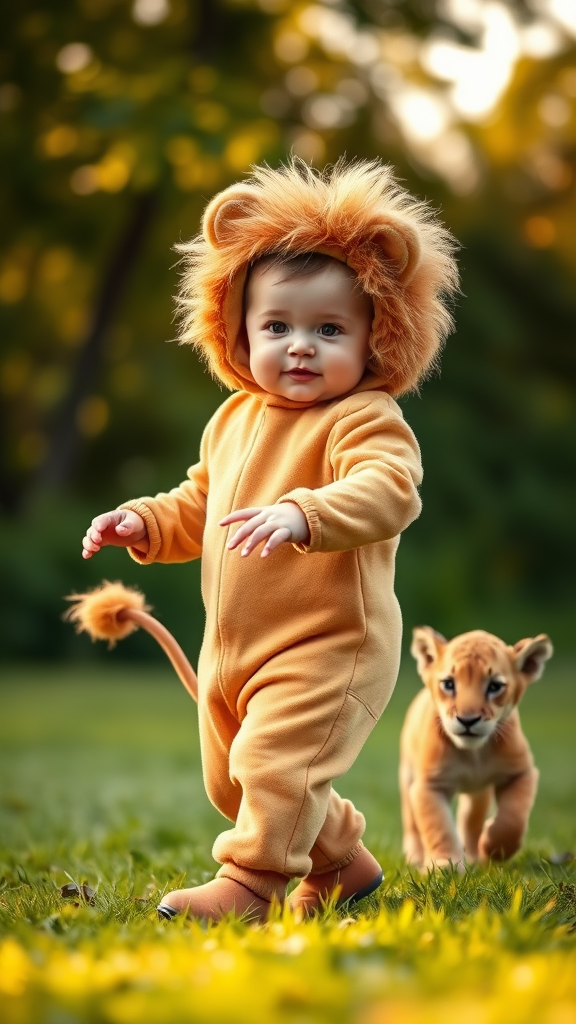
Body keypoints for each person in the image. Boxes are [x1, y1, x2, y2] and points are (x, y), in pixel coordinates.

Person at [81, 159, 458, 921]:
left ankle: (251, 887)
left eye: (329, 330)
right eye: (277, 327)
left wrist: (305, 512)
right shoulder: (234, 420)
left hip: (330, 643)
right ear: (238, 329)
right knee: (233, 780)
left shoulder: (365, 419)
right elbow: (200, 501)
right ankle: (345, 862)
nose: (300, 348)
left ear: (377, 334)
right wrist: (146, 523)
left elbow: (390, 491)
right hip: (238, 648)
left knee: (274, 764)